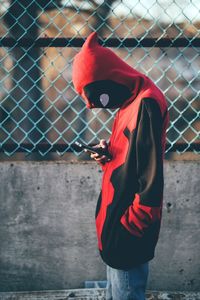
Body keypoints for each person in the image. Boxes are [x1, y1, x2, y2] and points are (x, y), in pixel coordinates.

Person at [72, 32, 169, 300]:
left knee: (126, 293)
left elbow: (150, 175)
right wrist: (109, 154)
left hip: (127, 230)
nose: (98, 107)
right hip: (116, 224)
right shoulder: (130, 100)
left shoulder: (145, 103)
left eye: (100, 99)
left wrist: (133, 224)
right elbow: (132, 154)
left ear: (111, 78)